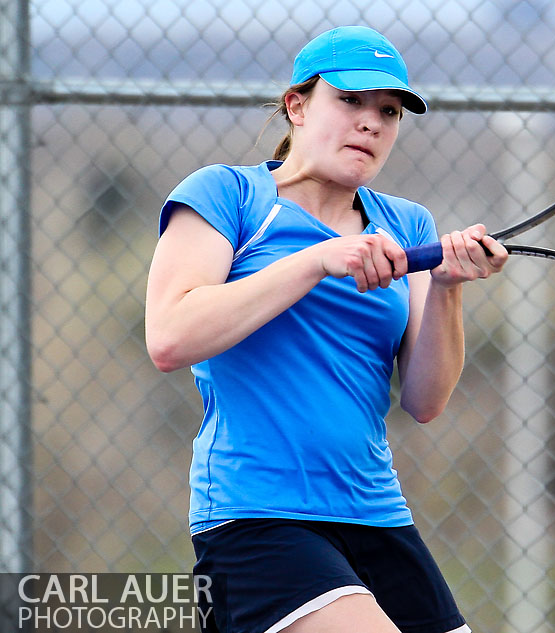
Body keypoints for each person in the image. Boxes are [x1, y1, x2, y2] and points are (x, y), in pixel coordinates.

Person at [145, 25, 507, 633]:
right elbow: (170, 338)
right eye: (350, 100)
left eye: (388, 111)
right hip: (255, 518)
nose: (371, 122)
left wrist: (447, 288)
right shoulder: (229, 196)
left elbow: (425, 400)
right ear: (297, 105)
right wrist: (315, 261)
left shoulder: (406, 223)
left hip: (376, 514)